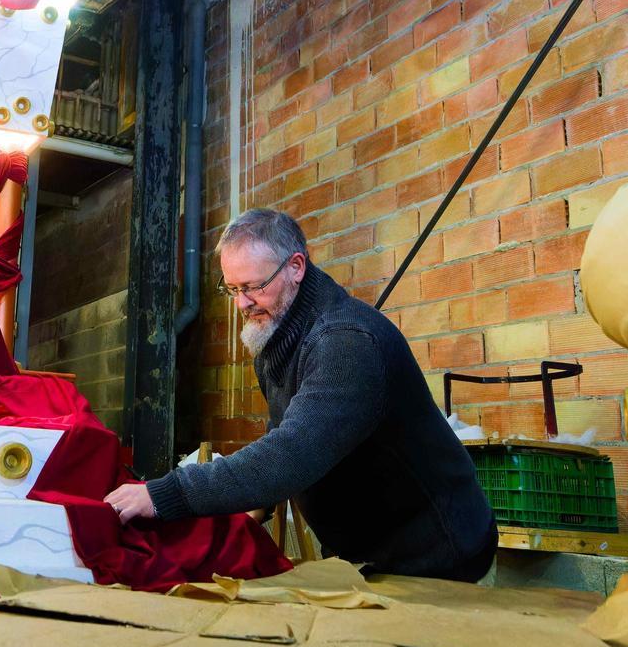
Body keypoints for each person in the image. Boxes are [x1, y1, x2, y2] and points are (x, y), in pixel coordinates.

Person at [104, 208, 497, 581]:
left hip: (437, 551)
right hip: (368, 550)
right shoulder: (276, 335)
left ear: (295, 267)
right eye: (233, 288)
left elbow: (292, 454)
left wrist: (165, 494)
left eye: (255, 286)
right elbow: (281, 436)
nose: (243, 303)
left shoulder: (345, 343)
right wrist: (231, 530)